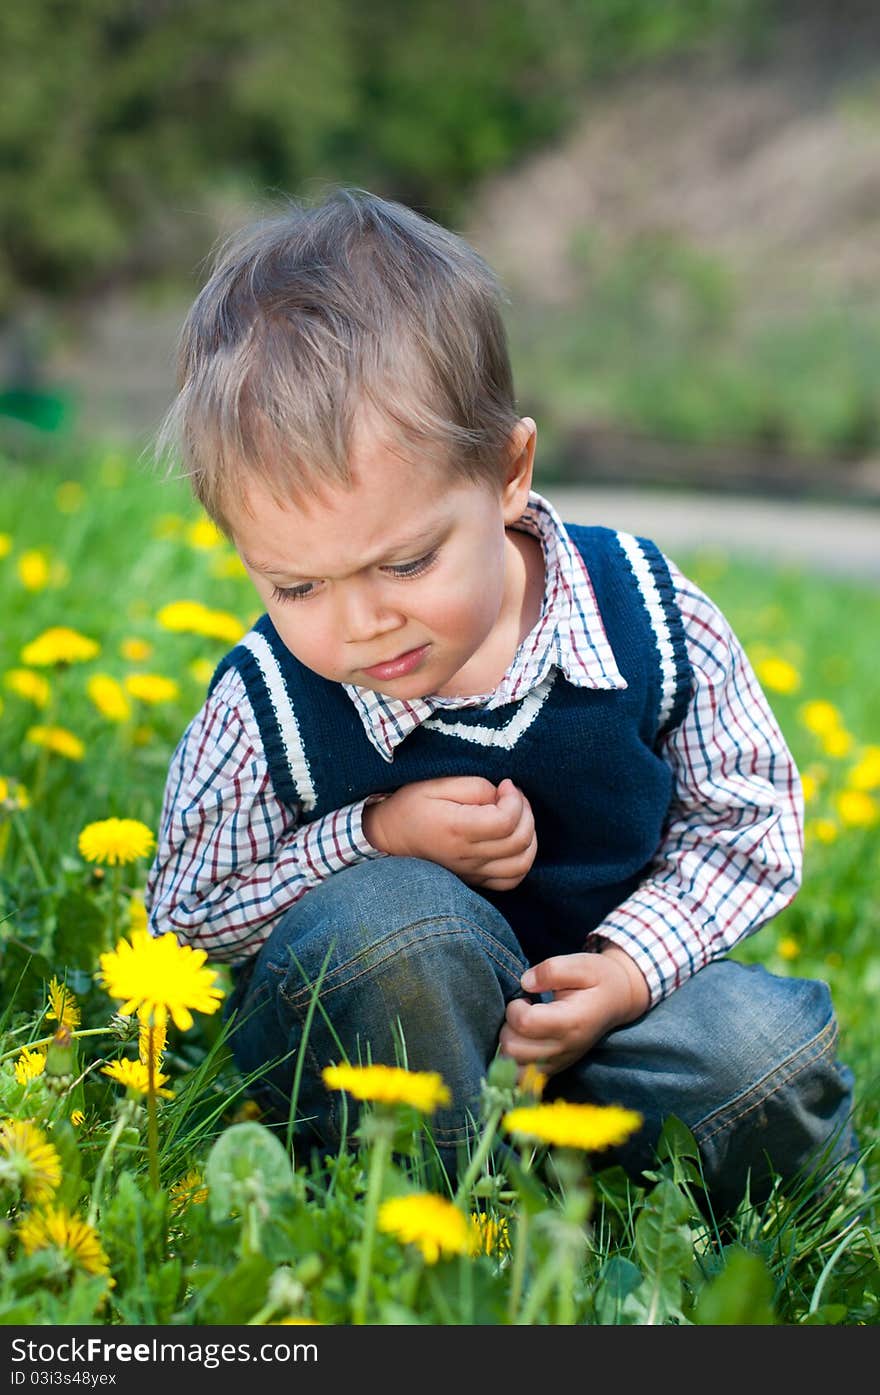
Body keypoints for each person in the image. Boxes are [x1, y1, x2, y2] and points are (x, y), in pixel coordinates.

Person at [145, 187, 856, 1214]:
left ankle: (622, 1183)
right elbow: (184, 924)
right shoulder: (266, 701)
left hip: (608, 1031)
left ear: (507, 474)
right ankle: (418, 1199)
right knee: (392, 932)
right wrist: (369, 835)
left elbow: (748, 818)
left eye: (405, 561)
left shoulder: (644, 614)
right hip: (385, 1052)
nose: (358, 625)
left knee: (762, 1055)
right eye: (296, 586)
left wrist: (623, 969)